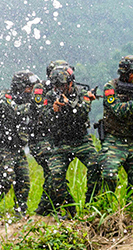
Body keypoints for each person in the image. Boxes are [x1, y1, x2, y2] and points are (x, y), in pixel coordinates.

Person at [42, 64, 102, 217]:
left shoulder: (81, 93)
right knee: (55, 175)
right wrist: (54, 111)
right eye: (56, 86)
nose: (59, 89)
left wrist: (68, 105)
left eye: (62, 85)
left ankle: (91, 206)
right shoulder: (50, 96)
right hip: (61, 142)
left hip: (81, 140)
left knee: (96, 165)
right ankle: (69, 209)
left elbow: (82, 112)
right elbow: (44, 119)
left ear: (70, 82)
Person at [0, 70, 39, 217]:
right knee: (7, 178)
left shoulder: (26, 100)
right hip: (1, 148)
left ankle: (20, 213)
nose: (31, 91)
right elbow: (15, 111)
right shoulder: (4, 97)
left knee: (24, 181)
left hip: (17, 147)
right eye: (29, 87)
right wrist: (34, 104)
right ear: (20, 86)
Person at [99, 55, 133, 194]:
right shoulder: (111, 87)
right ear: (125, 73)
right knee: (108, 174)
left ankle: (131, 212)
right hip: (114, 140)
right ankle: (104, 207)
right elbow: (118, 111)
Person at [29, 59, 70, 215]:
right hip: (39, 138)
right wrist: (54, 106)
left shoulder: (63, 89)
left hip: (53, 138)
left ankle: (46, 207)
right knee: (52, 172)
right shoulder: (41, 89)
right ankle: (63, 205)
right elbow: (39, 110)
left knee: (52, 173)